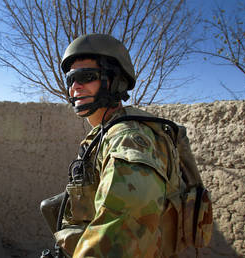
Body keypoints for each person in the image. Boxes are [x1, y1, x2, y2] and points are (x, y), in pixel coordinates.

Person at [53, 33, 173, 257]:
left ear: (115, 81)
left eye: (86, 76)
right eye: (71, 79)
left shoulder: (127, 139)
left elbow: (120, 236)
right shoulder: (105, 133)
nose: (74, 88)